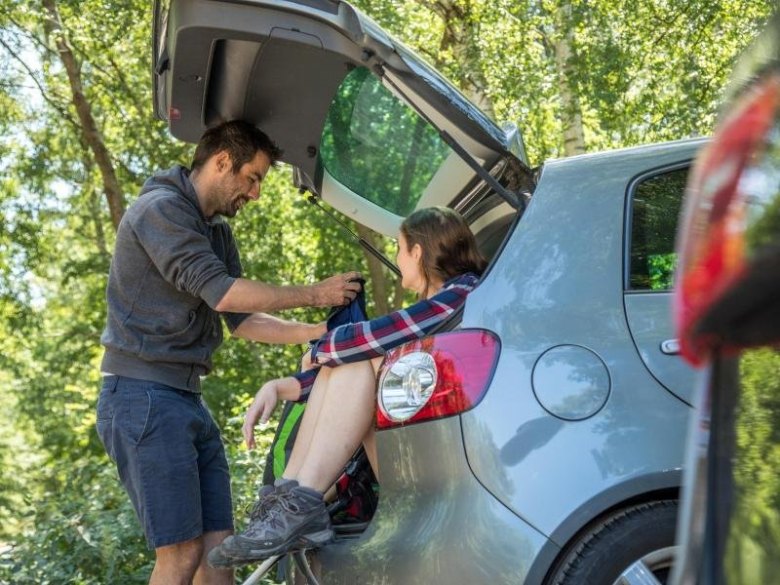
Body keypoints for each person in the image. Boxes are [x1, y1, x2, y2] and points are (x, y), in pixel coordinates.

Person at [96, 120, 362, 585]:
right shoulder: (160, 210)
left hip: (185, 399)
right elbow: (222, 294)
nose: (256, 193)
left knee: (219, 556)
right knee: (180, 555)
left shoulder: (215, 232)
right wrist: (315, 293)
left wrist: (324, 331)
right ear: (222, 162)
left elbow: (243, 322)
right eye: (253, 177)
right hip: (142, 398)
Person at [209, 206, 487, 567]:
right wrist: (283, 385)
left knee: (362, 354)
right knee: (357, 356)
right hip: (422, 455)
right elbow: (349, 383)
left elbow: (377, 337)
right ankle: (288, 499)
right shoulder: (441, 304)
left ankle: (299, 502)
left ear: (417, 252)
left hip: (439, 464)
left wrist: (323, 349)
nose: (397, 258)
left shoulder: (463, 293)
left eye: (400, 249)